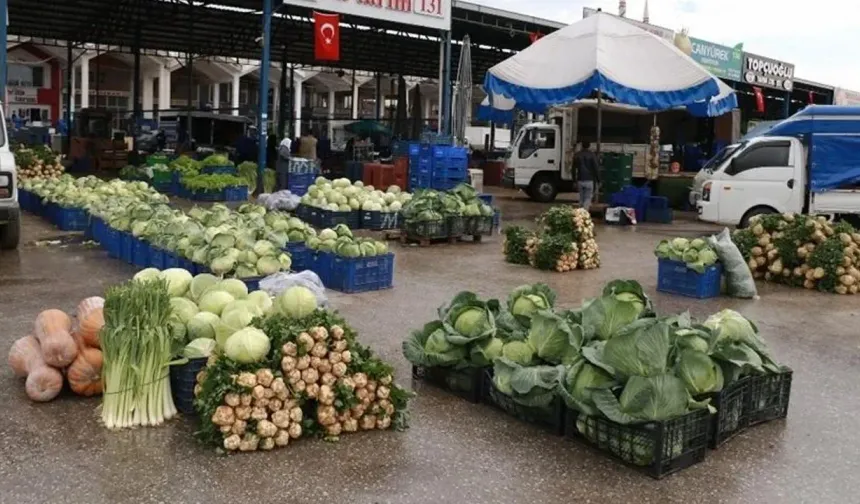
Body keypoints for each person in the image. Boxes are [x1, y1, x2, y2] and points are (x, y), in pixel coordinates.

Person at [575, 141, 600, 210]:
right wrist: (598, 180)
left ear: (582, 146)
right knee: (588, 198)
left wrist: (574, 180)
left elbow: (573, 169)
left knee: (581, 198)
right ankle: (584, 214)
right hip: (589, 179)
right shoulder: (592, 155)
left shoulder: (577, 155)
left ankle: (579, 214)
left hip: (580, 179)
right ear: (589, 146)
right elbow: (596, 168)